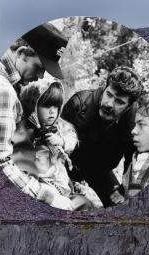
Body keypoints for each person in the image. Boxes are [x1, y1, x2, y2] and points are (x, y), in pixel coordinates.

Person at [0, 23, 69, 203]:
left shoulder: (6, 82)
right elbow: (0, 164)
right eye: (39, 68)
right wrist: (48, 197)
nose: (40, 77)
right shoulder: (2, 90)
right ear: (23, 52)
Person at [13, 79, 102, 210]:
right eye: (46, 106)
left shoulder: (60, 126)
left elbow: (72, 138)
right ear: (32, 106)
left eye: (56, 106)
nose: (52, 112)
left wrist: (62, 141)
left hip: (59, 177)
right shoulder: (25, 132)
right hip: (40, 181)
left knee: (87, 202)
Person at [61, 66, 143, 206]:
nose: (110, 104)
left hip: (99, 170)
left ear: (128, 107)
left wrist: (123, 189)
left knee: (120, 206)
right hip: (67, 164)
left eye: (119, 101)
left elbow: (132, 160)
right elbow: (54, 144)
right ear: (104, 88)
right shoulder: (78, 103)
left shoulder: (133, 124)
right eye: (109, 95)